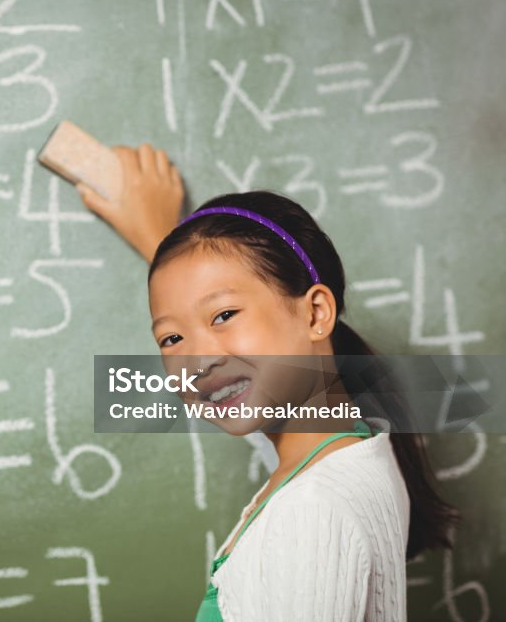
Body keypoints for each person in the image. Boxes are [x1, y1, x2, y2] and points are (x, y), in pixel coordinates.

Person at [75, 144, 460, 621]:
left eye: (224, 314)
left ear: (316, 312)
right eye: (171, 337)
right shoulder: (345, 443)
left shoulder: (311, 512)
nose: (197, 360)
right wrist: (165, 238)